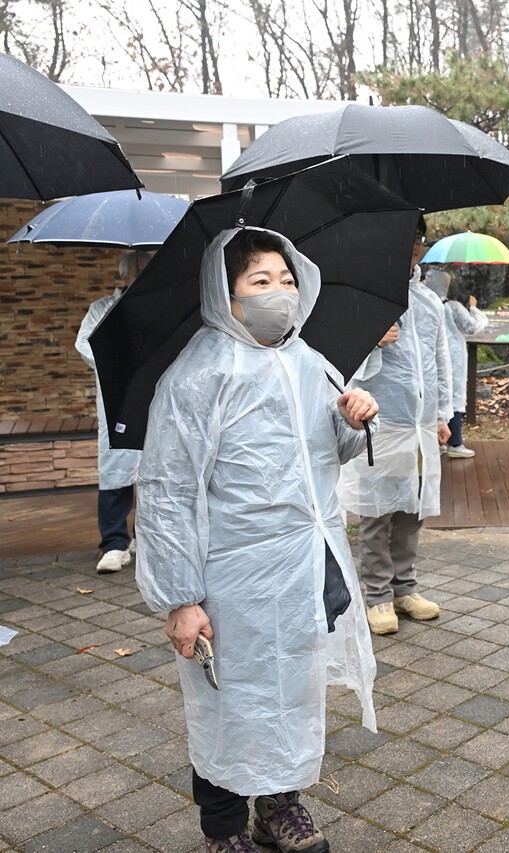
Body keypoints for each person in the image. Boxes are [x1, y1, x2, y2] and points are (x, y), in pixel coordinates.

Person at [135, 227, 380, 853]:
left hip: (302, 566)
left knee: (294, 688)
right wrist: (179, 597)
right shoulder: (199, 375)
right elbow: (167, 493)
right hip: (230, 576)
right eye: (261, 281)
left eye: (288, 279)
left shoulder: (309, 362)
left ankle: (279, 808)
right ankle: (223, 831)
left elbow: (326, 454)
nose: (280, 293)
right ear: (229, 294)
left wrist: (353, 420)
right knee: (231, 699)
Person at [339, 218, 451, 636]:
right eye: (404, 240)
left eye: (418, 240)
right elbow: (340, 368)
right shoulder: (362, 301)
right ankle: (378, 595)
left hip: (420, 426)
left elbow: (440, 362)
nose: (413, 249)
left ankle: (405, 587)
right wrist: (370, 340)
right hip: (381, 425)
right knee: (377, 513)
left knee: (412, 509)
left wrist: (442, 415)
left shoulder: (428, 301)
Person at [75, 250, 153, 574]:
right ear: (122, 276)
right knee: (115, 468)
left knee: (153, 472)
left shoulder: (161, 306)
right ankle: (114, 542)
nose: (141, 276)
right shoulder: (101, 310)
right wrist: (120, 351)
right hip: (116, 401)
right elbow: (85, 345)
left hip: (152, 401)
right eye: (137, 270)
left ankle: (145, 538)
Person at [436, 264, 488, 458]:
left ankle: (439, 442)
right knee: (455, 396)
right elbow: (473, 326)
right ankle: (455, 442)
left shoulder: (428, 303)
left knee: (439, 396)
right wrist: (474, 308)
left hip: (433, 358)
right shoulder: (453, 306)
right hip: (454, 358)